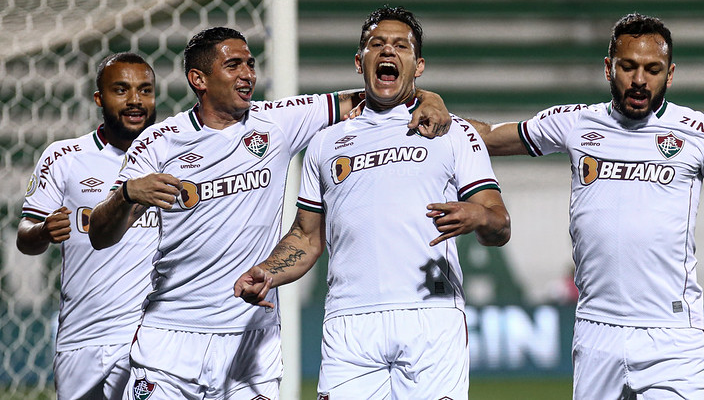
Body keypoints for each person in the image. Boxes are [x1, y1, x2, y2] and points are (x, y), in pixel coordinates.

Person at [87, 26, 450, 400]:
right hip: (171, 337)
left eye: (250, 64)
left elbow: (373, 95)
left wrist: (428, 95)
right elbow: (101, 234)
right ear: (199, 79)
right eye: (233, 65)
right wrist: (128, 194)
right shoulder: (158, 141)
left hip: (251, 338)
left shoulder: (277, 121)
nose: (248, 75)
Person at [469, 13, 704, 399]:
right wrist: (422, 108)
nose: (638, 80)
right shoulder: (577, 123)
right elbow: (488, 138)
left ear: (670, 74)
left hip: (671, 333)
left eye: (652, 69)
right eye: (627, 66)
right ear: (608, 67)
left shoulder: (703, 133)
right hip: (596, 330)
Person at [234, 6, 511, 399]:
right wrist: (269, 272)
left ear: (418, 66)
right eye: (376, 44)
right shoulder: (325, 143)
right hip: (349, 322)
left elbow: (500, 226)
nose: (388, 52)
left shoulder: (452, 132)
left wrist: (478, 215)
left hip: (431, 318)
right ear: (358, 61)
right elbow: (306, 237)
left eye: (401, 46)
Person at [16, 52, 159, 400]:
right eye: (121, 90)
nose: (135, 100)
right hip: (82, 338)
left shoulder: (175, 157)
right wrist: (42, 231)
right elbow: (25, 236)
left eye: (145, 90)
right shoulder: (64, 157)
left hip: (150, 336)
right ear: (99, 98)